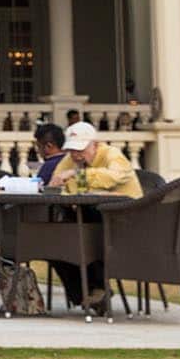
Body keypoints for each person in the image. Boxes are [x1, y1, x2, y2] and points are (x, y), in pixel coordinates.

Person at [46, 121, 142, 312]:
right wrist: (58, 184)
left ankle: (97, 288)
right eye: (72, 149)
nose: (76, 154)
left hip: (124, 222)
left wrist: (77, 174)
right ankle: (86, 294)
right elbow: (58, 186)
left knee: (86, 231)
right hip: (88, 218)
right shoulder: (71, 159)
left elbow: (114, 177)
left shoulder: (111, 154)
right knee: (55, 241)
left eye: (80, 149)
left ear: (95, 145)